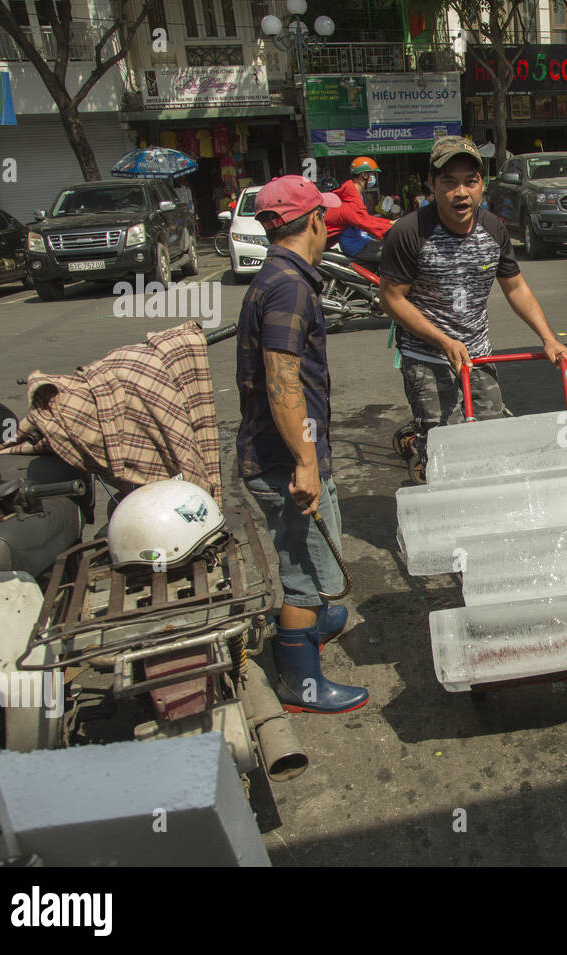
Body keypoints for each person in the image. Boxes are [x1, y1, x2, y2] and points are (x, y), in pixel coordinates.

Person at [236, 175, 369, 715]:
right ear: (315, 220)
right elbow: (281, 377)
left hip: (288, 452)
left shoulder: (279, 274)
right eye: (327, 217)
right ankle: (299, 684)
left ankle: (312, 623)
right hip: (285, 461)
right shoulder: (290, 286)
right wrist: (306, 465)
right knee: (304, 576)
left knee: (315, 564)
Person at [380, 136, 567, 483]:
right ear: (432, 185)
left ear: (482, 184)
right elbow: (392, 298)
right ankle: (440, 502)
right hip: (427, 357)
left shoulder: (493, 228)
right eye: (449, 182)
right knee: (445, 449)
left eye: (470, 181)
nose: (461, 193)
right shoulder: (409, 233)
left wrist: (548, 338)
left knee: (491, 439)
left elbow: (515, 286)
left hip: (479, 357)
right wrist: (443, 341)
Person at [324, 156, 393, 266]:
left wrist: (389, 223)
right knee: (396, 253)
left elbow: (364, 217)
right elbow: (365, 223)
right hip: (355, 245)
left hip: (360, 241)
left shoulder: (354, 193)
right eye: (372, 174)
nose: (373, 178)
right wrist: (396, 230)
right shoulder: (352, 198)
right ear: (364, 175)